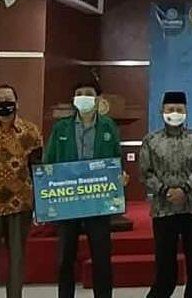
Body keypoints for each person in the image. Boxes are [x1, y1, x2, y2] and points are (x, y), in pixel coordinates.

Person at [45, 81, 122, 298]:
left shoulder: (108, 126)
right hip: (68, 200)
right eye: (79, 93)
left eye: (88, 94)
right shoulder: (61, 128)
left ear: (98, 99)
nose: (84, 97)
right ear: (73, 99)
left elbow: (116, 159)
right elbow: (49, 161)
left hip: (98, 201)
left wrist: (120, 175)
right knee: (65, 258)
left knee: (101, 257)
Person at [139, 91, 192, 298]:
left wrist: (185, 190)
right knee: (165, 266)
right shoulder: (151, 140)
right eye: (170, 109)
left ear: (186, 112)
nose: (175, 113)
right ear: (162, 111)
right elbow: (145, 172)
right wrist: (165, 191)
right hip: (163, 210)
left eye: (179, 109)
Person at [0, 84, 42, 298]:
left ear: (17, 104)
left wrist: (41, 205)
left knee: (16, 258)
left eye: (8, 101)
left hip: (20, 204)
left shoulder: (31, 131)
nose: (4, 105)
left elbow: (38, 169)